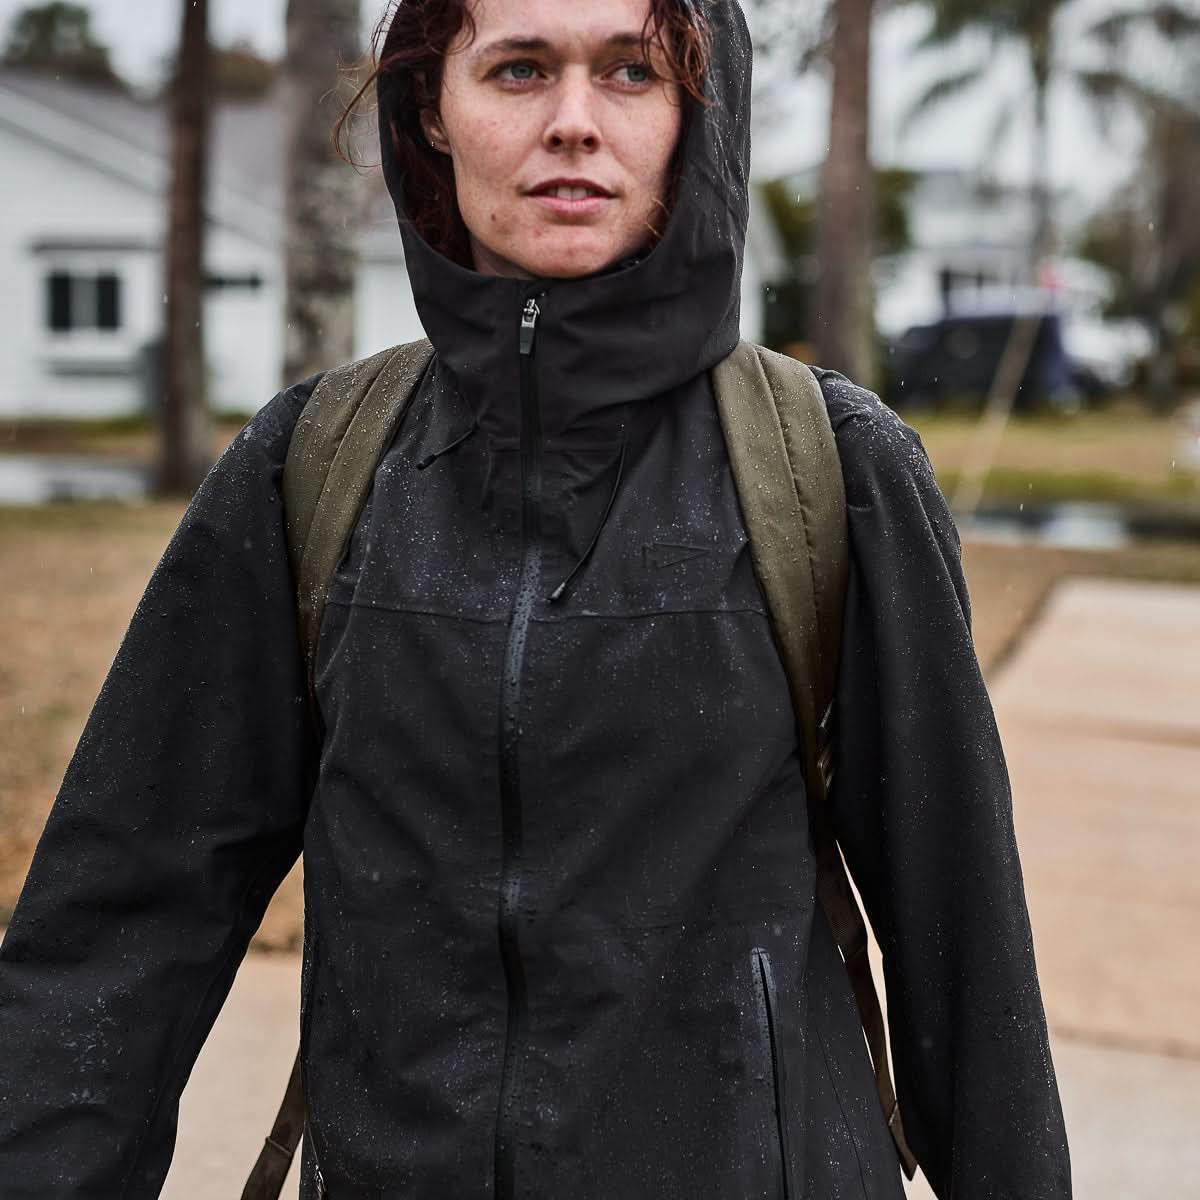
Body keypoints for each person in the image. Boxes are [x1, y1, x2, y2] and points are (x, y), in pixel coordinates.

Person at [0, 0, 1071, 1197]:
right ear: (431, 116)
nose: (573, 123)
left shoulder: (837, 471)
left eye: (631, 72)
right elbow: (119, 932)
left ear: (697, 120)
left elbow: (965, 964)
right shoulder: (310, 466)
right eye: (517, 70)